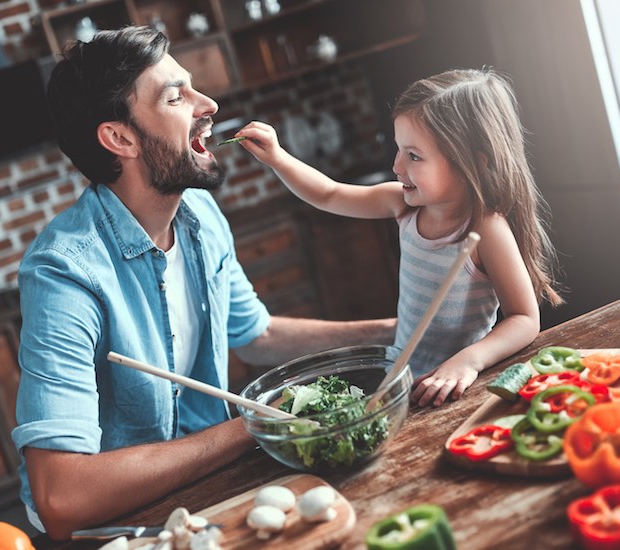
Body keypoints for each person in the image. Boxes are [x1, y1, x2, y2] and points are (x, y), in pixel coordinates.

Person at [12, 26, 395, 540]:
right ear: (119, 138)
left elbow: (255, 334)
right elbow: (62, 497)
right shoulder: (64, 273)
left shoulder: (198, 214)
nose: (208, 103)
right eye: (176, 96)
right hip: (113, 535)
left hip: (204, 494)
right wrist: (255, 424)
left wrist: (401, 331)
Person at [236, 68, 563, 409]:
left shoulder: (485, 228)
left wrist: (468, 361)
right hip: (401, 380)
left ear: (473, 165)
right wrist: (277, 157)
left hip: (455, 389)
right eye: (398, 150)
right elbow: (329, 195)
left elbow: (524, 319)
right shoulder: (402, 205)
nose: (397, 165)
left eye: (414, 155)